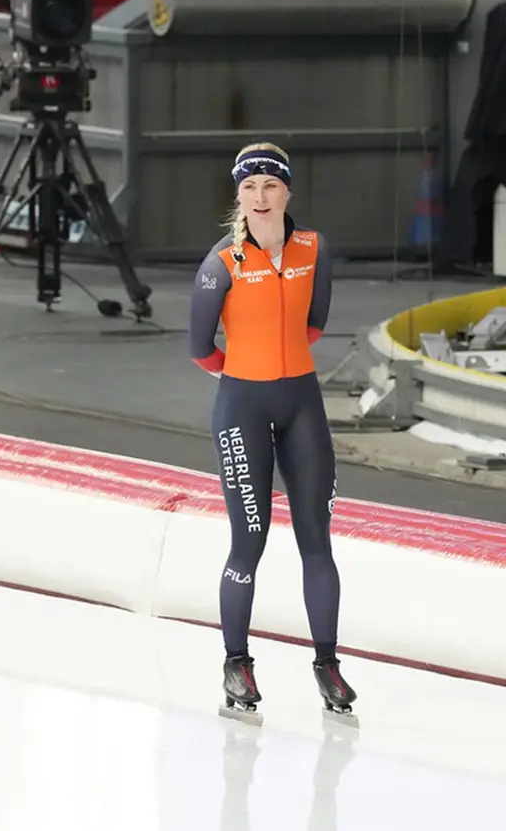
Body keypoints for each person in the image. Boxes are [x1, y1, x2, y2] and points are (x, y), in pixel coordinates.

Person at [188, 142, 356, 718]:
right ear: (238, 194)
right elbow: (199, 348)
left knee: (317, 538)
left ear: (288, 191)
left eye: (271, 186)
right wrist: (245, 378)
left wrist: (279, 368)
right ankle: (237, 661)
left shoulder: (314, 248)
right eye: (250, 187)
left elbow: (315, 324)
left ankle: (327, 663)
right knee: (249, 541)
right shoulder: (221, 264)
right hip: (242, 409)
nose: (261, 197)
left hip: (303, 404)